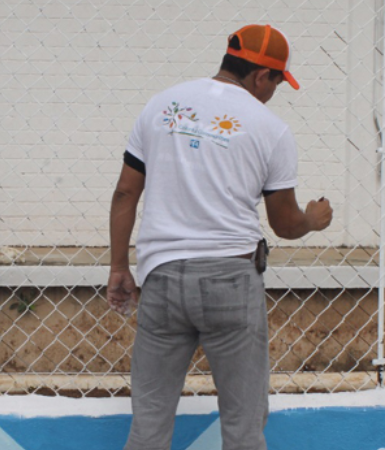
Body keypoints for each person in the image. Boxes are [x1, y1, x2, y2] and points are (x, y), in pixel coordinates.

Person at [107, 25, 333, 449]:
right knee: (243, 425)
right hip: (230, 278)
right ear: (261, 76)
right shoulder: (270, 128)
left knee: (149, 423)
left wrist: (120, 266)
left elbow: (124, 192)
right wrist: (312, 219)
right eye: (278, 82)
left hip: (162, 278)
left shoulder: (161, 105)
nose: (273, 93)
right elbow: (284, 224)